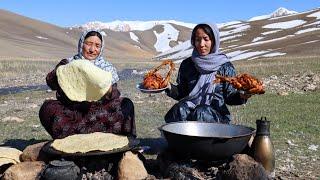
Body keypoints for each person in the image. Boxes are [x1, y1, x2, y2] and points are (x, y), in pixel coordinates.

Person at [39, 30, 136, 139]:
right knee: (48, 107)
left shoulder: (107, 69)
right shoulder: (69, 63)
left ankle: (121, 141)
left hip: (97, 114)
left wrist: (107, 90)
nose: (92, 49)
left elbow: (114, 95)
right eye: (89, 44)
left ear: (101, 48)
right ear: (81, 44)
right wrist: (61, 70)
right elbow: (51, 83)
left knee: (126, 104)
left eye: (97, 46)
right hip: (73, 113)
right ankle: (69, 143)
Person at [164, 23, 251, 124]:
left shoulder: (225, 67)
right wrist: (168, 86)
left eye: (206, 39)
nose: (201, 44)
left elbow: (230, 97)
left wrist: (242, 96)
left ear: (214, 40)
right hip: (190, 112)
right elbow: (182, 92)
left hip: (217, 119)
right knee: (179, 109)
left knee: (201, 112)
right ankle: (179, 139)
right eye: (197, 40)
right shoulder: (188, 64)